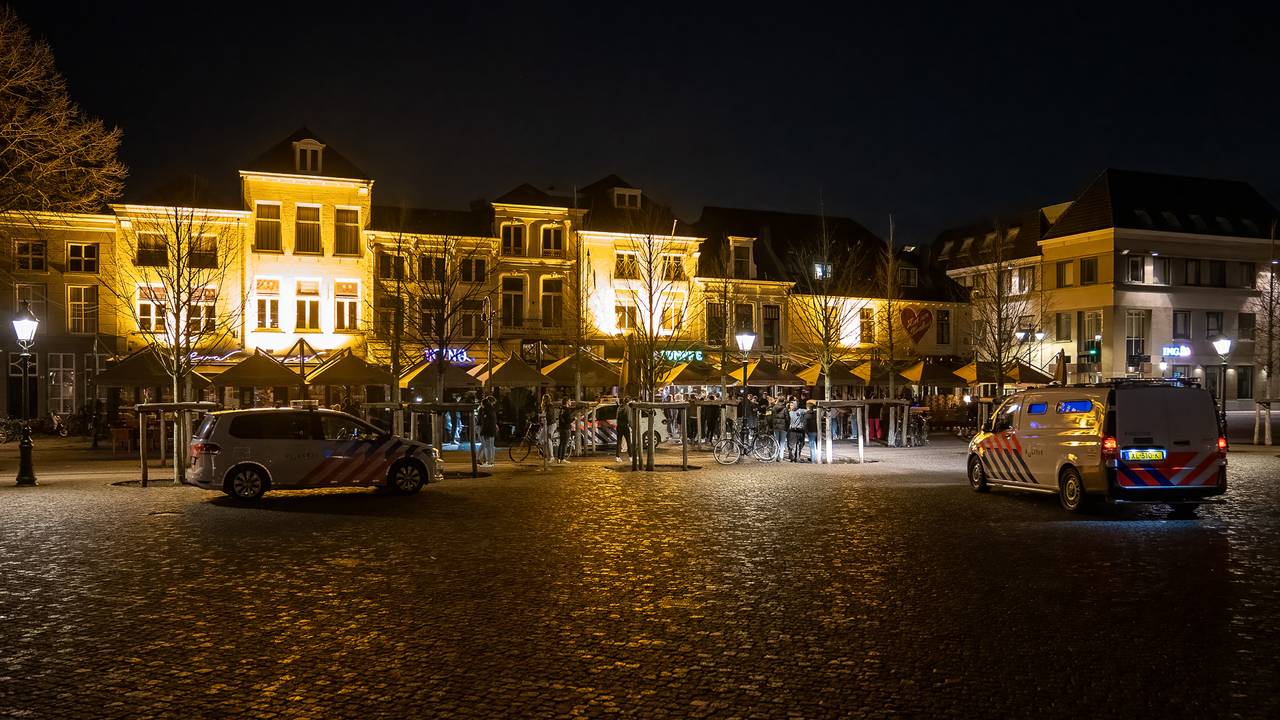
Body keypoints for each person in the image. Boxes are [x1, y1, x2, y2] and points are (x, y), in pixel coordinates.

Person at [478, 395, 498, 467]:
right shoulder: (491, 409)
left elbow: (484, 422)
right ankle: (490, 461)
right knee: (490, 446)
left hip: (487, 430)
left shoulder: (485, 410)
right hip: (491, 430)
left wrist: (481, 431)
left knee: (487, 446)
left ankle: (488, 461)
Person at [555, 397, 575, 463]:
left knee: (561, 443)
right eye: (570, 401)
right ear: (567, 402)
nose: (571, 402)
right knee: (565, 444)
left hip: (561, 428)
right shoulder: (567, 410)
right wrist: (575, 418)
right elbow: (568, 420)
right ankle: (563, 458)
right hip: (566, 428)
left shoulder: (561, 409)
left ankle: (558, 458)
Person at [770, 396, 789, 461]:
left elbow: (772, 417)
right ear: (783, 401)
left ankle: (776, 455)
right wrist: (787, 426)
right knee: (782, 442)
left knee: (776, 441)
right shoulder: (785, 408)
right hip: (783, 427)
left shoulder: (774, 408)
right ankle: (781, 456)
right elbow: (787, 418)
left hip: (776, 427)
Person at [615, 396, 631, 462]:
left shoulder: (619, 407)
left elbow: (617, 417)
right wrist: (630, 425)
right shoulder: (628, 408)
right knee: (628, 442)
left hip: (619, 426)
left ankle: (617, 457)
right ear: (629, 401)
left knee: (619, 442)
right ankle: (631, 456)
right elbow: (628, 418)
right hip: (625, 426)